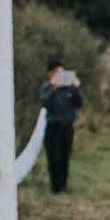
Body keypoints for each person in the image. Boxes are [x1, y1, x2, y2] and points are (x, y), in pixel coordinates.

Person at [39, 60, 83, 194]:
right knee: (54, 158)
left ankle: (63, 186)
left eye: (63, 72)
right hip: (53, 127)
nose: (61, 75)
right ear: (50, 74)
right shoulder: (47, 87)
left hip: (67, 127)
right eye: (58, 72)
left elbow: (79, 103)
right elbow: (44, 102)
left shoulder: (69, 88)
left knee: (65, 157)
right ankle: (55, 187)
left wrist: (76, 88)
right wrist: (53, 88)